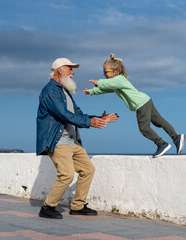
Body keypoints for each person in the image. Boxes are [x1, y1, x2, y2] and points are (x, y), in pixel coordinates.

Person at [36, 57, 119, 219]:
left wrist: (98, 119)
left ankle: (78, 206)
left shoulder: (64, 91)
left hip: (72, 141)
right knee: (66, 174)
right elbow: (64, 115)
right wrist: (90, 122)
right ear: (60, 70)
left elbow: (77, 114)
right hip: (58, 141)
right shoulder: (51, 91)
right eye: (70, 69)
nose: (73, 73)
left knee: (88, 169)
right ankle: (47, 207)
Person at [83, 54, 184, 158]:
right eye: (103, 72)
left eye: (105, 72)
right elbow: (106, 89)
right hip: (146, 101)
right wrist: (91, 91)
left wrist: (98, 82)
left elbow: (106, 84)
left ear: (115, 72)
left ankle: (162, 144)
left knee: (144, 128)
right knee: (158, 121)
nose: (104, 74)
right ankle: (176, 137)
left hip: (141, 104)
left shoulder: (118, 80)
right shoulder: (116, 82)